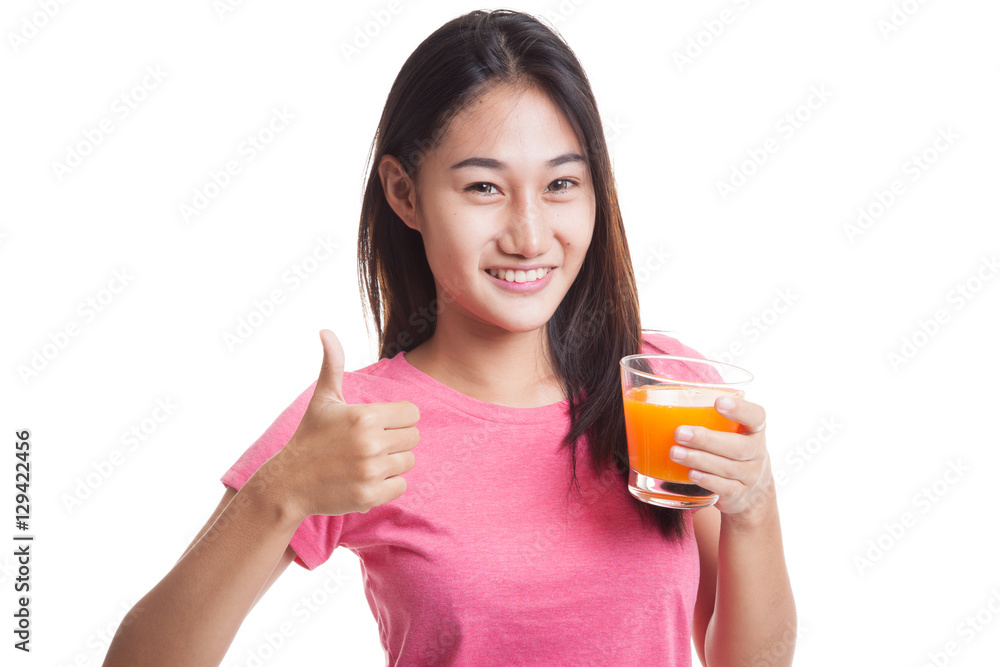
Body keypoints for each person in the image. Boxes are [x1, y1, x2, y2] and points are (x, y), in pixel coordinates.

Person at [104, 9, 795, 666]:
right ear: (404, 193)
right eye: (484, 189)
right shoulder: (355, 422)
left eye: (560, 183)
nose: (530, 236)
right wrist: (277, 494)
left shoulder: (663, 385)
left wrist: (753, 508)